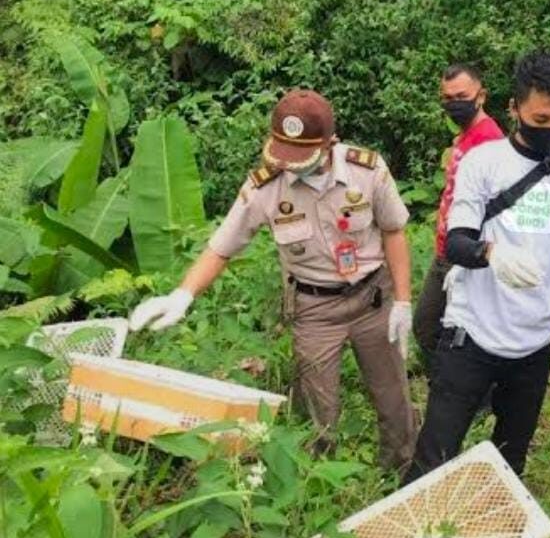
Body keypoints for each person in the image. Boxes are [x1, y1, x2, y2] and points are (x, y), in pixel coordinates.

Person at [130, 89, 416, 470]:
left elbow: (394, 231)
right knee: (319, 410)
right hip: (314, 309)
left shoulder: (367, 171)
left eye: (302, 156)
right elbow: (221, 248)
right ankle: (318, 480)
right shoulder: (265, 187)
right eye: (284, 153)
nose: (290, 165)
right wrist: (183, 294)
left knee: (393, 398)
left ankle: (401, 469)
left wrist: (403, 300)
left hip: (372, 300)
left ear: (329, 143)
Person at [404, 50, 550, 483]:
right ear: (515, 108)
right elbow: (456, 243)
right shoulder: (483, 162)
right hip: (473, 333)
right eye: (541, 118)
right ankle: (415, 522)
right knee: (434, 454)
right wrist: (490, 253)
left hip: (535, 341)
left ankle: (495, 520)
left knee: (510, 458)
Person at [412, 63, 504, 374]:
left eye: (462, 96)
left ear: (481, 96)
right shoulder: (467, 136)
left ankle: (459, 390)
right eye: (448, 98)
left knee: (431, 327)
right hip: (448, 248)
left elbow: (496, 202)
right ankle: (455, 387)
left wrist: (475, 252)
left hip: (464, 251)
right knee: (439, 329)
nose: (454, 104)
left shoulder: (489, 139)